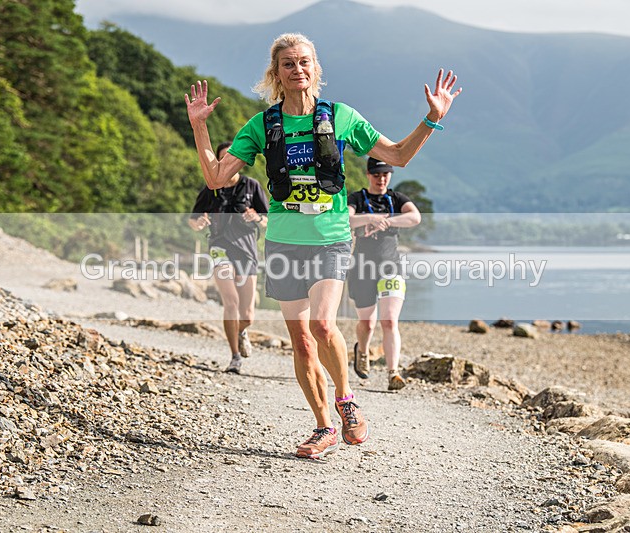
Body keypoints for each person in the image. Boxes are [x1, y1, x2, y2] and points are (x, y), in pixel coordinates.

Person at [185, 33, 460, 459]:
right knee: (301, 340)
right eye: (289, 64)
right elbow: (217, 178)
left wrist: (432, 118)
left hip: (331, 239)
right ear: (276, 74)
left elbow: (399, 155)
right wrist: (199, 125)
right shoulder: (261, 126)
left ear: (316, 68)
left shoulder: (342, 117)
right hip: (283, 243)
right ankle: (322, 427)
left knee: (323, 326)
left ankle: (346, 399)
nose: (298, 69)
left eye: (305, 61)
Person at [188, 141, 269, 375]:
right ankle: (234, 356)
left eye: (233, 158)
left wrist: (256, 218)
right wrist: (199, 223)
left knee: (248, 314)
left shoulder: (252, 186)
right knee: (230, 301)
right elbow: (193, 220)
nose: (228, 163)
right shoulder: (211, 187)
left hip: (246, 251)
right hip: (219, 248)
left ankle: (242, 331)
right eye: (223, 159)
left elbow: (268, 220)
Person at [347, 157, 421, 391]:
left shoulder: (397, 198)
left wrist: (388, 222)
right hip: (362, 267)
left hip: (391, 267)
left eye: (385, 175)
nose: (381, 179)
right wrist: (370, 218)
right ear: (368, 175)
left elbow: (415, 217)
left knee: (389, 320)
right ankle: (362, 350)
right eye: (376, 175)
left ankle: (393, 372)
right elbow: (345, 218)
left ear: (390, 176)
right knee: (367, 324)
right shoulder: (357, 198)